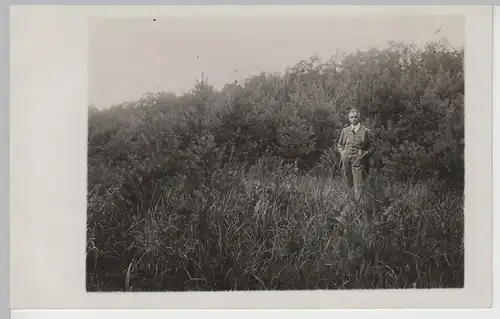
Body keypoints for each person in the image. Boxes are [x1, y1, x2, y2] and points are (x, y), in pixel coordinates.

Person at [337, 108, 376, 200]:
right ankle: (349, 204)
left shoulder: (366, 131)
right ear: (349, 118)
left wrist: (364, 153)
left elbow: (373, 147)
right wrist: (342, 153)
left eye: (355, 117)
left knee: (358, 185)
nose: (353, 119)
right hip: (346, 159)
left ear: (359, 118)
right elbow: (340, 144)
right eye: (351, 117)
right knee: (348, 183)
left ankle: (358, 207)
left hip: (358, 160)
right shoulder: (345, 130)